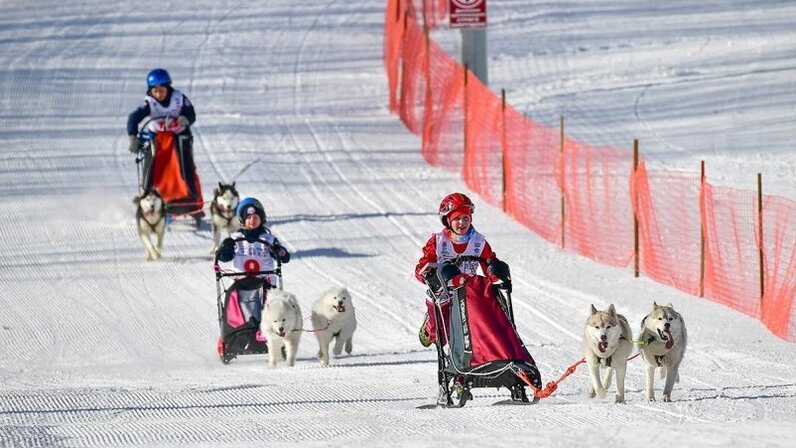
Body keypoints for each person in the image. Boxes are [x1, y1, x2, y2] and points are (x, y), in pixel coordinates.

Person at [414, 192, 511, 347]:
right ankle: (429, 328)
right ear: (447, 220)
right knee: (439, 336)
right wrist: (428, 275)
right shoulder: (438, 242)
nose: (462, 222)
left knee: (480, 327)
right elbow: (422, 266)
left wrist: (495, 272)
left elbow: (489, 264)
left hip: (468, 291)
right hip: (442, 291)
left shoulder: (478, 242)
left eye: (466, 218)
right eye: (457, 219)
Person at [126, 68, 200, 204]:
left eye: (162, 91)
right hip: (157, 137)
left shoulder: (179, 98)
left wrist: (186, 118)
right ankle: (146, 193)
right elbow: (134, 118)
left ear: (168, 88)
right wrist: (132, 136)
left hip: (178, 136)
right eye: (156, 91)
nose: (159, 94)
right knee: (151, 160)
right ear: (151, 91)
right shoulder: (149, 103)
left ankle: (190, 195)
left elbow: (191, 113)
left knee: (184, 162)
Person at [216, 197, 291, 324]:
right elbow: (224, 257)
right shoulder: (236, 238)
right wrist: (226, 248)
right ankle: (234, 330)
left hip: (265, 284)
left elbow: (284, 257)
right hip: (241, 284)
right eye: (249, 218)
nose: (252, 221)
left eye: (255, 217)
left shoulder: (268, 239)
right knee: (236, 308)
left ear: (261, 219)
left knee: (271, 309)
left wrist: (279, 251)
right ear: (243, 220)